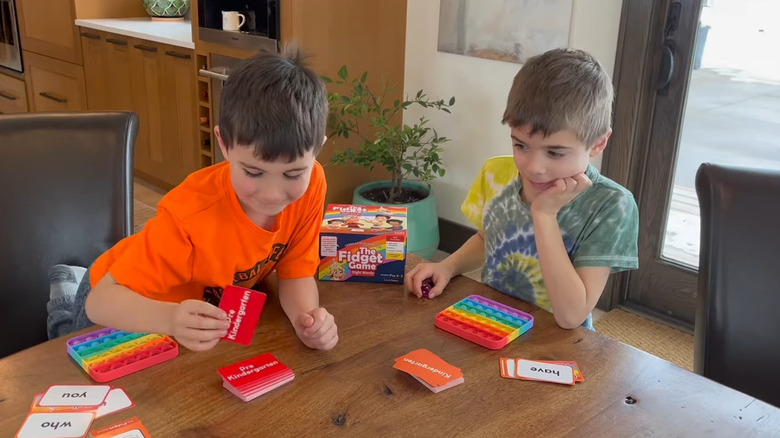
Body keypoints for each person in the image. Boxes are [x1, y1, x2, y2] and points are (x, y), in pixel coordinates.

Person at [47, 44, 338, 351]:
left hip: (188, 314)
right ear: (224, 145)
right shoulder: (190, 214)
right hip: (123, 301)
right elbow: (101, 303)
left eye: (293, 174)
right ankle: (64, 294)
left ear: (317, 149)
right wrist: (171, 319)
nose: (272, 194)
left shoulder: (314, 182)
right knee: (63, 346)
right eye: (253, 172)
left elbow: (296, 273)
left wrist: (308, 321)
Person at [406, 48, 639, 330]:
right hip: (491, 322)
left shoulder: (611, 205)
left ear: (599, 144)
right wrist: (448, 266)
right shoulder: (497, 174)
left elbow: (571, 316)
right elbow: (487, 238)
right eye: (521, 145)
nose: (533, 167)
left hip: (556, 346)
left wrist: (544, 216)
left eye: (555, 153)